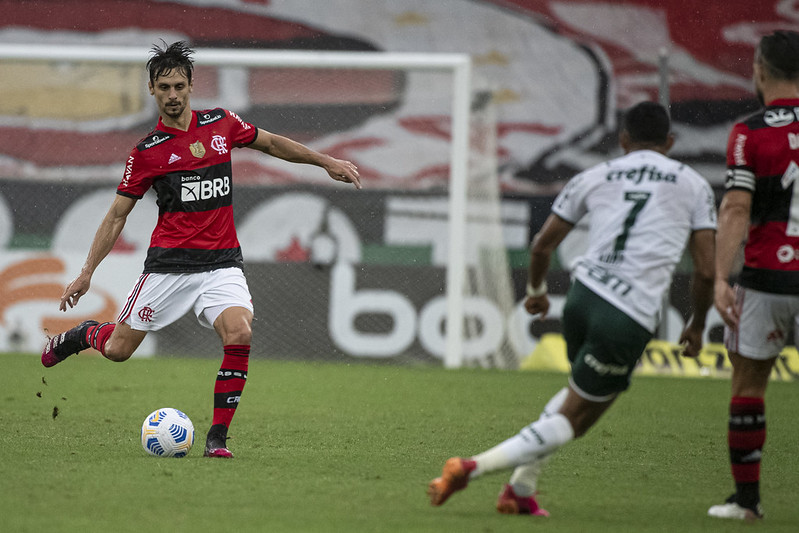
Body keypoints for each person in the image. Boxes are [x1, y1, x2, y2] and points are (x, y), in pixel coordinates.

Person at [41, 41, 361, 458]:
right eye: (163, 87)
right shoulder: (146, 153)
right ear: (152, 92)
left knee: (240, 333)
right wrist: (86, 273)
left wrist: (324, 161)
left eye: (179, 85)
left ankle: (216, 439)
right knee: (118, 351)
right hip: (168, 268)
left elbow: (272, 144)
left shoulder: (222, 124)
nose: (172, 94)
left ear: (191, 85)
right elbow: (117, 216)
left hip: (221, 264)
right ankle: (84, 334)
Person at [427, 101, 717, 516]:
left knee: (573, 394)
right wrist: (697, 323)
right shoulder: (692, 184)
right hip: (628, 313)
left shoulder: (595, 175)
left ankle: (520, 492)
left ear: (622, 141)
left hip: (584, 297)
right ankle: (470, 468)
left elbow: (542, 244)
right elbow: (706, 271)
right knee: (576, 418)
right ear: (670, 142)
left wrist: (537, 290)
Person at [709, 30, 799, 521]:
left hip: (767, 277)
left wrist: (722, 277)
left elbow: (736, 207)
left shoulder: (750, 131)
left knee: (748, 384)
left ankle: (747, 504)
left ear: (759, 71)